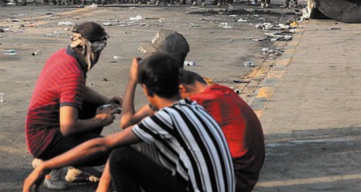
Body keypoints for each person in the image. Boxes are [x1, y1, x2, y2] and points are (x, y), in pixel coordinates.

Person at [24, 52, 235, 192]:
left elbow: (105, 143)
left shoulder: (167, 118)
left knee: (121, 156)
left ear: (145, 89)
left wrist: (46, 166)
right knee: (136, 143)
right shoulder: (192, 107)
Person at [119, 30, 264, 191]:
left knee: (130, 148)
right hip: (240, 172)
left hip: (233, 179)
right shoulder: (201, 85)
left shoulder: (187, 99)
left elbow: (127, 122)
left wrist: (132, 80)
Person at [25, 22, 121, 190]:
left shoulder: (63, 55)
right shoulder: (72, 73)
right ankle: (51, 165)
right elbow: (68, 127)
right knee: (112, 150)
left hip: (40, 131)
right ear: (94, 50)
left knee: (96, 105)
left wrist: (106, 101)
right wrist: (100, 120)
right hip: (45, 140)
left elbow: (79, 91)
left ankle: (76, 169)